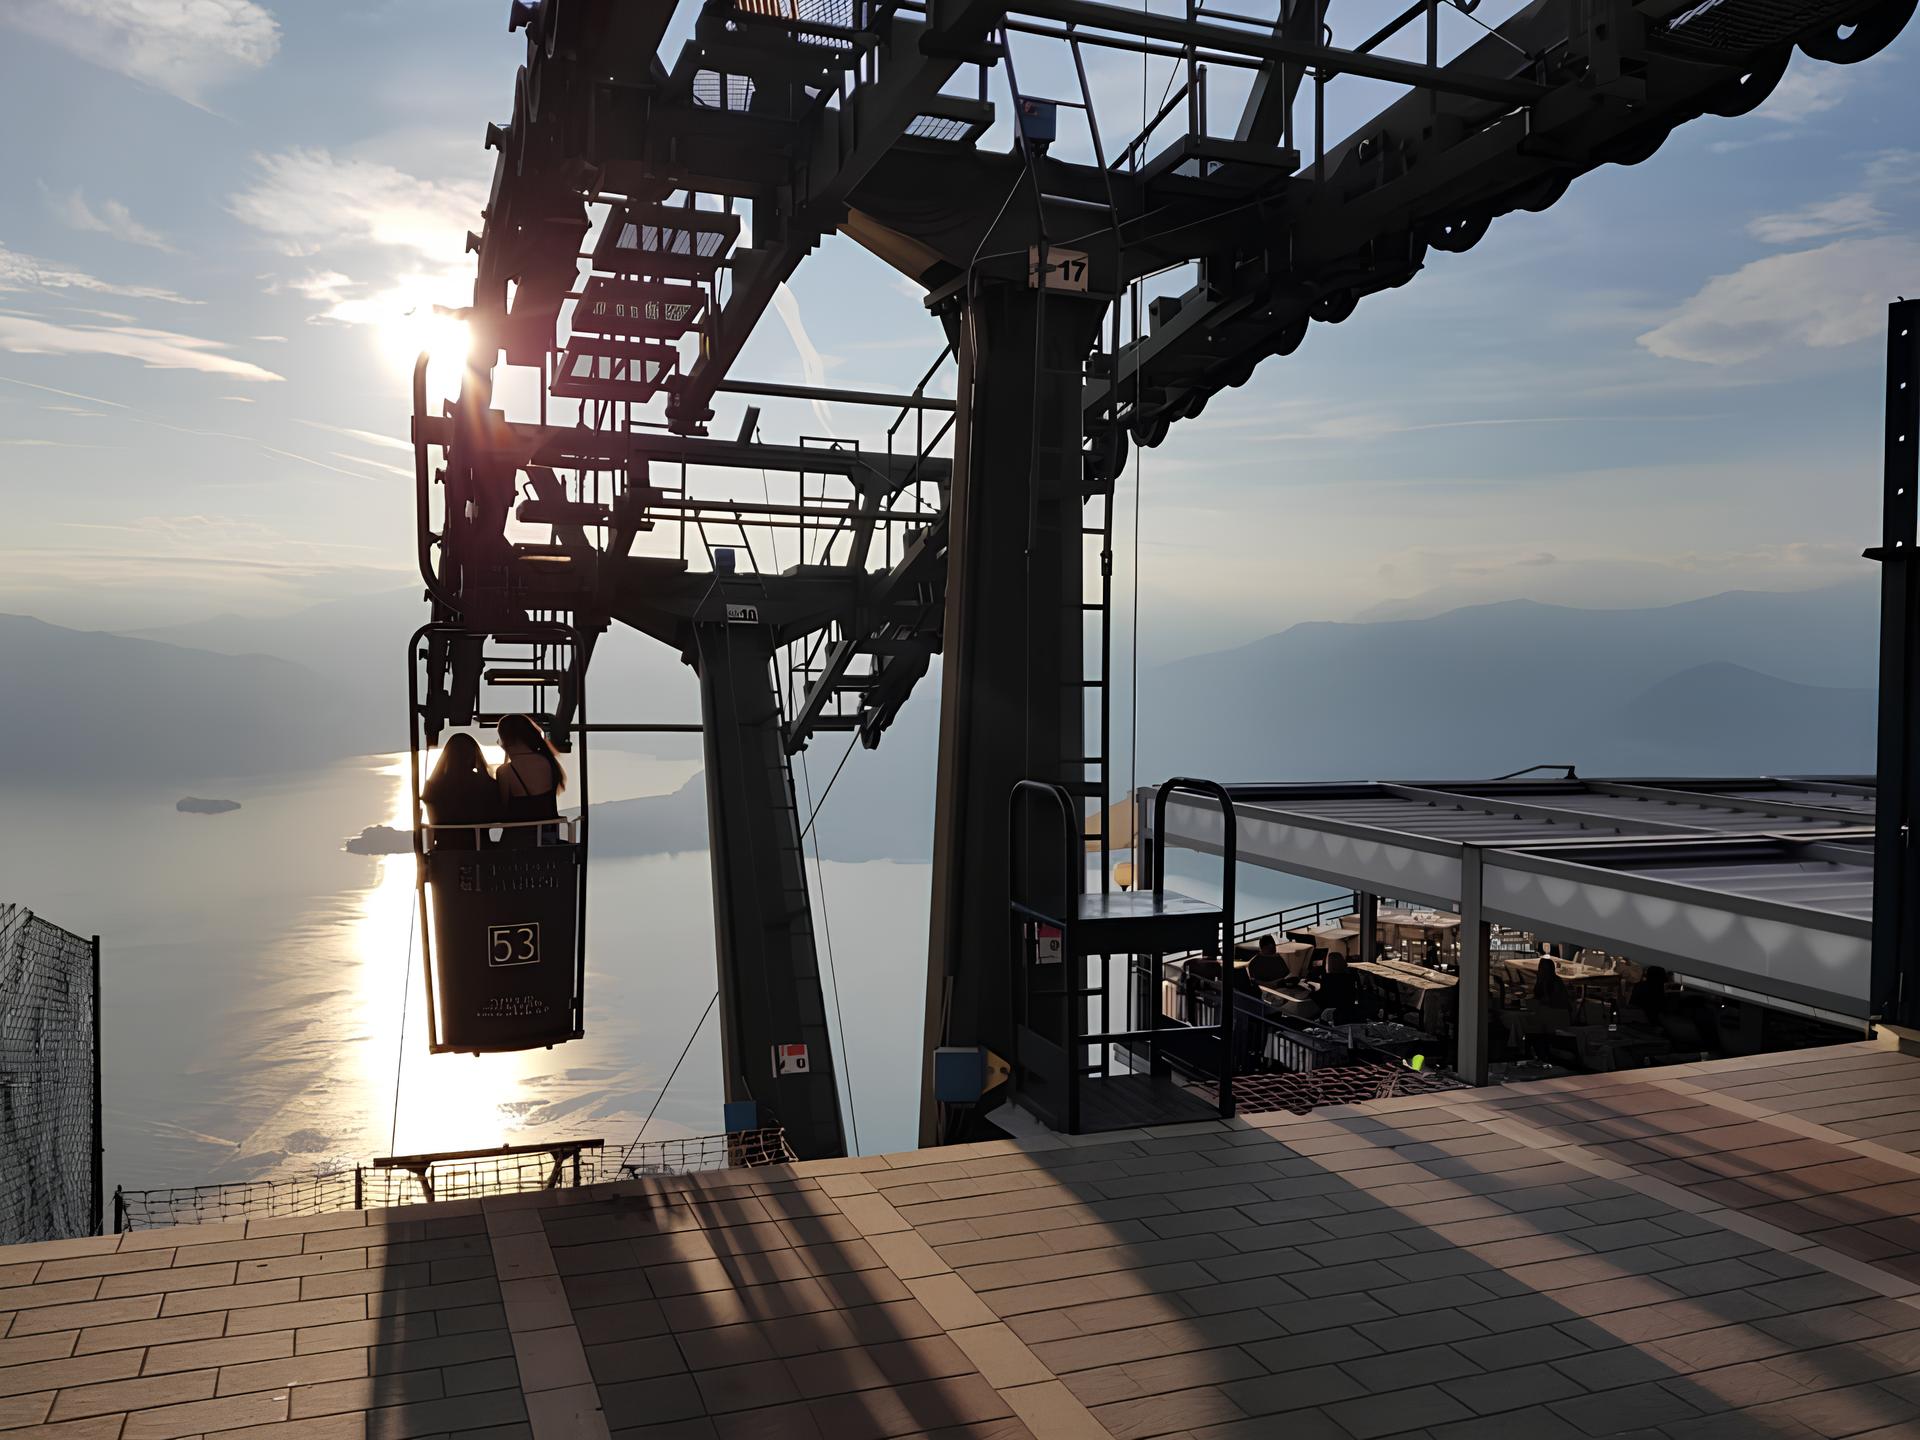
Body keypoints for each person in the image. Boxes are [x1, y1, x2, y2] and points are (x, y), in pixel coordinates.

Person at [496, 713, 566, 846]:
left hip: (518, 842)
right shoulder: (547, 761)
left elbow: (503, 809)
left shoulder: (506, 771)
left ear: (507, 739)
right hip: (548, 839)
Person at [421, 733, 496, 850]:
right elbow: (495, 815)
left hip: (445, 848)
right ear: (474, 755)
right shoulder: (486, 783)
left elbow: (433, 822)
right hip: (480, 847)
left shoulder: (433, 786)